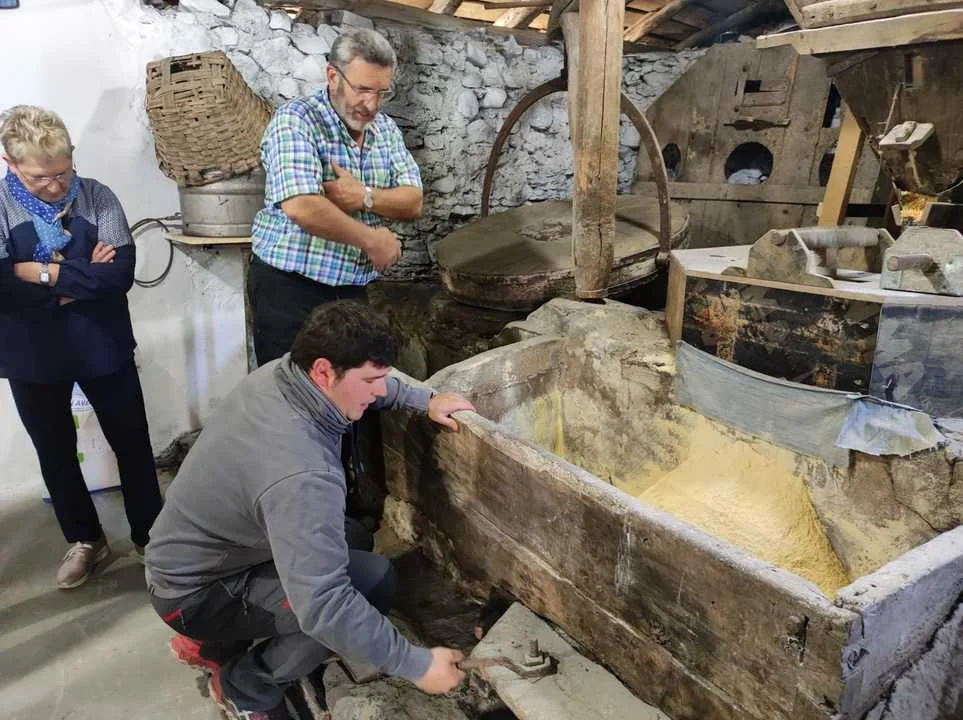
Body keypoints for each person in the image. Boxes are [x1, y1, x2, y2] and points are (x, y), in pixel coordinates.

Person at [145, 301, 475, 720]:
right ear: (323, 371)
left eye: (383, 377)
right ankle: (241, 687)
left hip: (198, 554)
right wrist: (417, 664)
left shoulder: (282, 374)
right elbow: (325, 606)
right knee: (367, 587)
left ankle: (214, 643)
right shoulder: (301, 471)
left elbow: (373, 384)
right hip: (193, 595)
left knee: (352, 537)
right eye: (371, 380)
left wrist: (424, 399)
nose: (380, 390)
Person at [0, 105, 163, 589]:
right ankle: (86, 539)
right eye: (40, 178)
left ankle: (152, 537)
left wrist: (38, 272)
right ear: (10, 164)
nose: (56, 186)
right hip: (31, 353)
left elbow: (119, 275)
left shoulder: (96, 196)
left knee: (132, 441)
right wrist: (79, 277)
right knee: (54, 449)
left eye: (63, 171)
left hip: (102, 344)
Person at [248, 27, 423, 366]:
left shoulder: (385, 130)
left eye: (381, 92)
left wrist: (364, 197)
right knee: (296, 390)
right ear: (332, 76)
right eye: (362, 89)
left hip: (352, 291)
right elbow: (302, 206)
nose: (371, 105)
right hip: (291, 288)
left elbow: (413, 200)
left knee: (350, 388)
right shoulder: (297, 120)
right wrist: (372, 240)